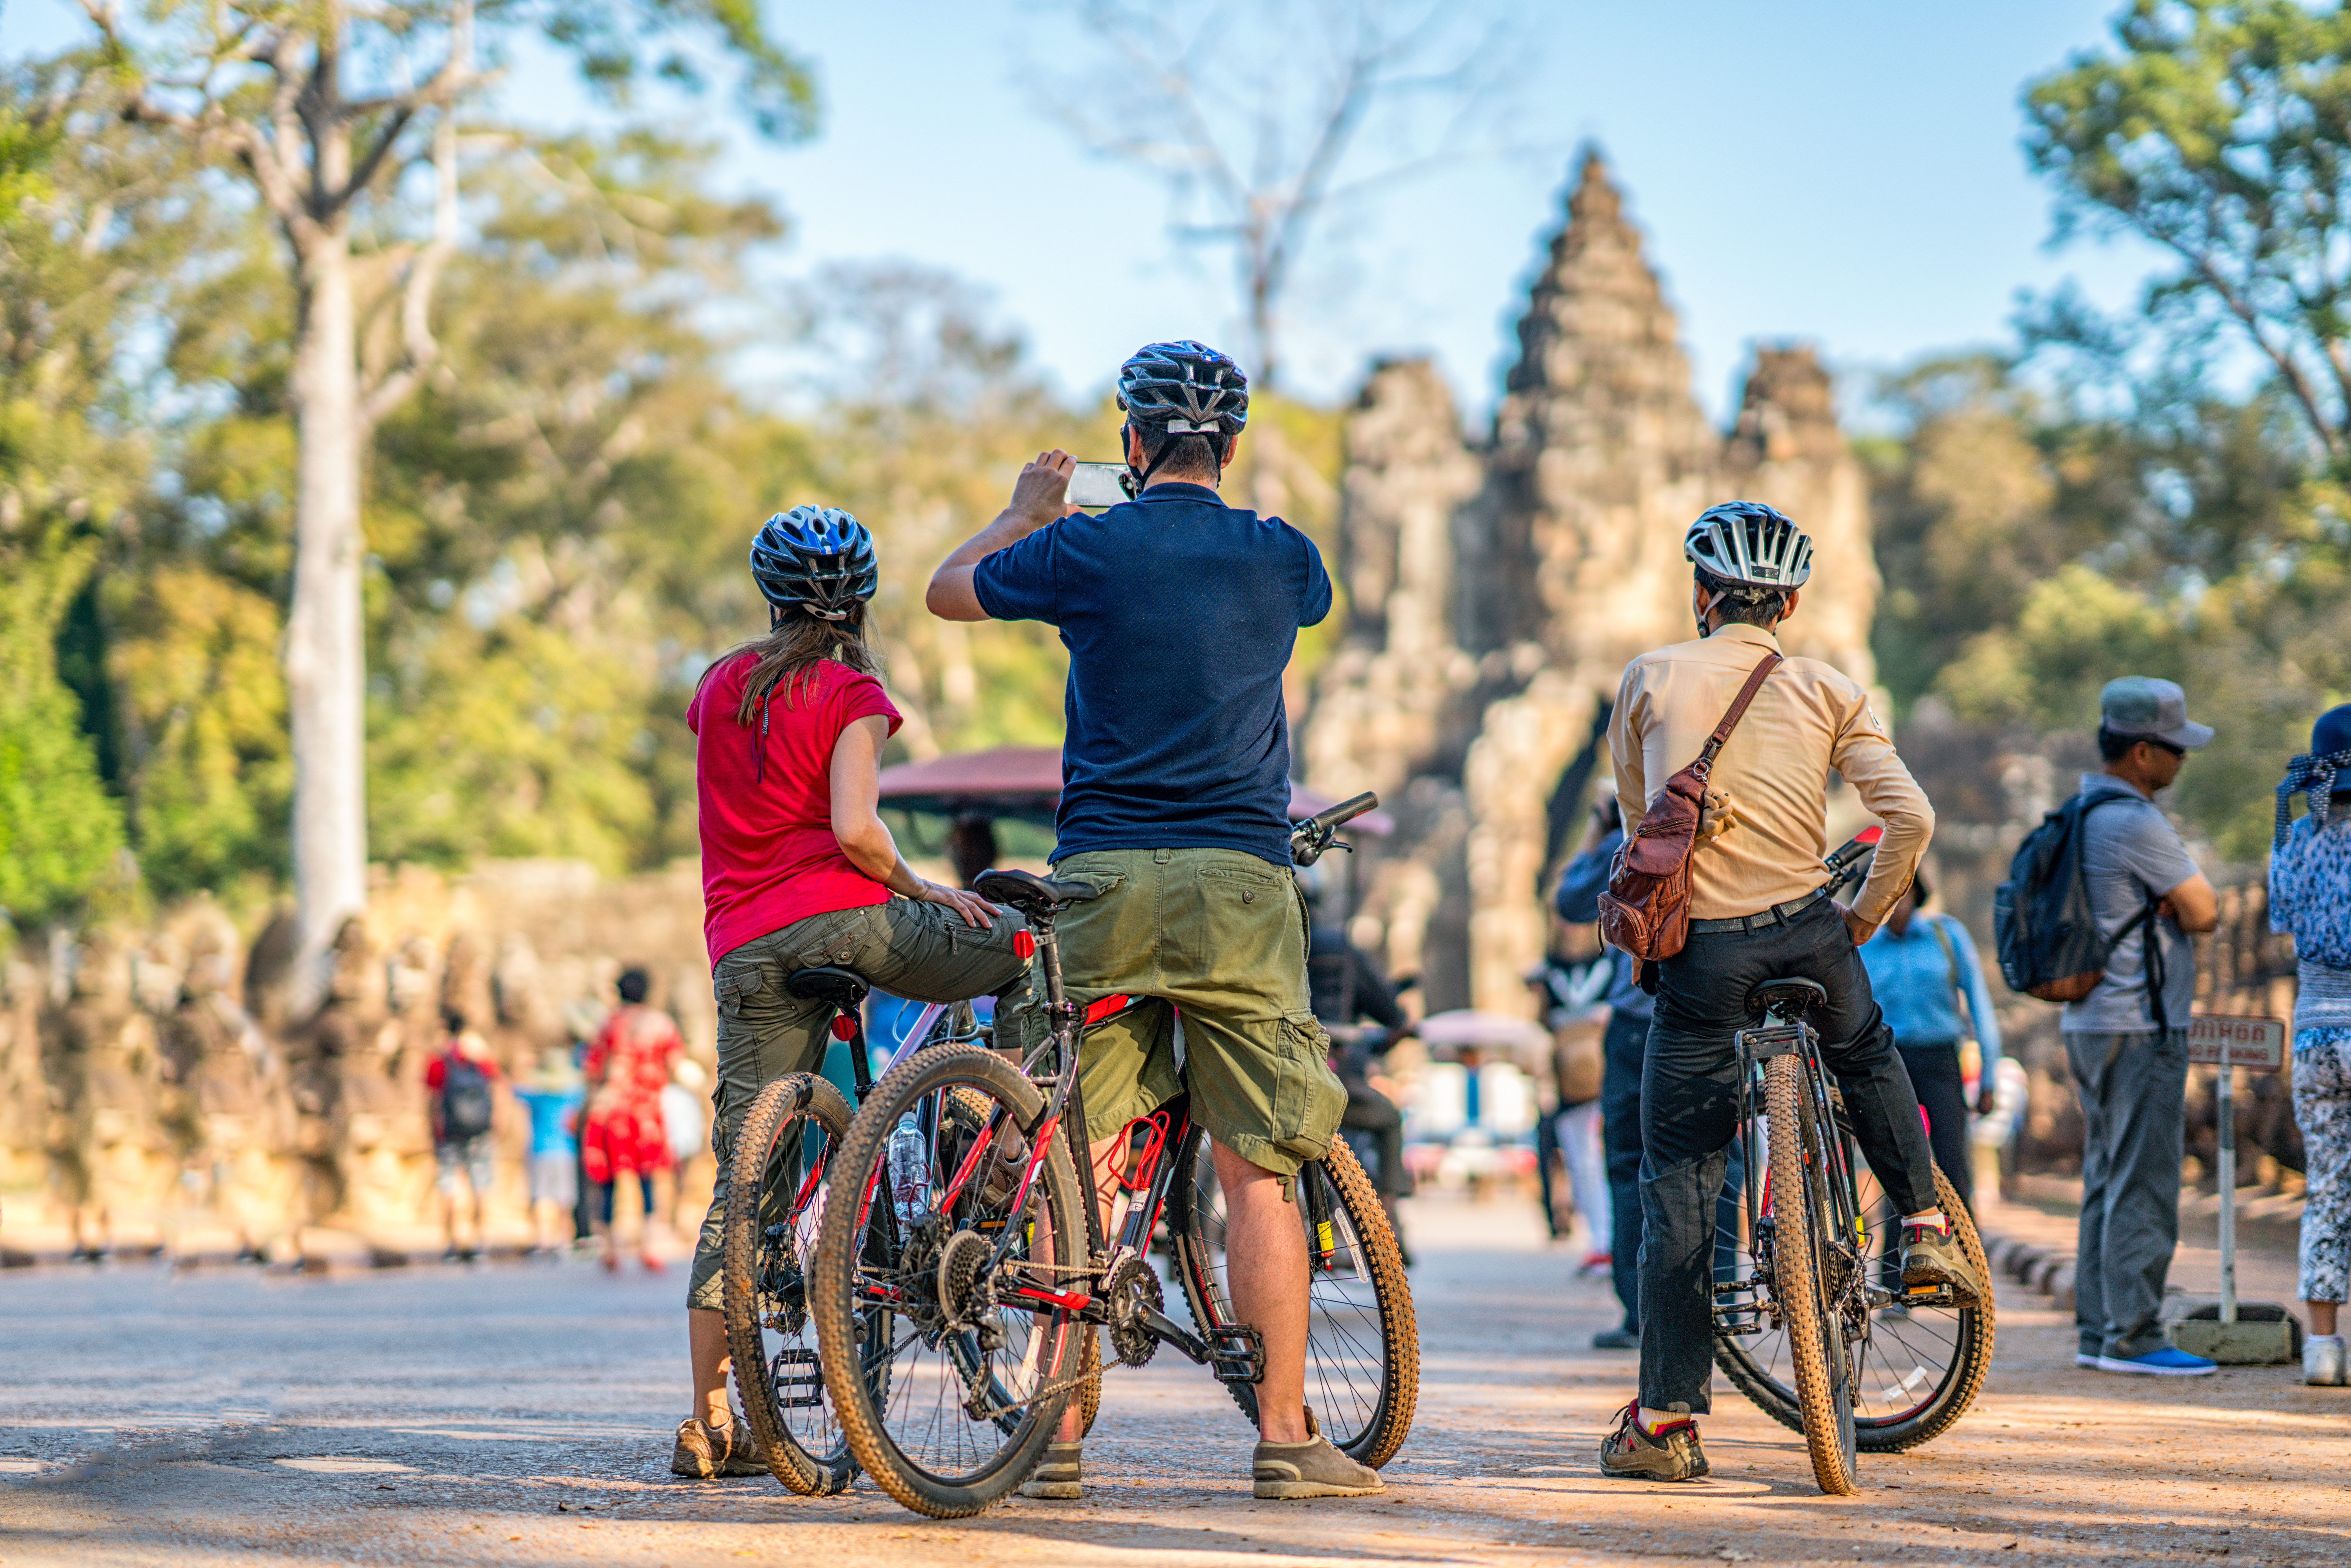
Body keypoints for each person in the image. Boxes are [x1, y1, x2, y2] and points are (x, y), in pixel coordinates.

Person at [928, 340, 1379, 1502]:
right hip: (1237, 884)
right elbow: (1313, 602)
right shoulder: (1281, 555)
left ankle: (1058, 1436)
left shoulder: (1078, 543)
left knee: (1071, 1159)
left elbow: (943, 591)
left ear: (1126, 443)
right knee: (1258, 1171)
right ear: (1227, 446)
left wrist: (1023, 511)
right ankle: (1283, 1437)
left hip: (1104, 879)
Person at [1598, 500, 1973, 1483]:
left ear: (1702, 594)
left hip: (1705, 958)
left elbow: (1643, 827)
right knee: (1868, 1050)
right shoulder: (1828, 687)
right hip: (1812, 932)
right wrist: (1859, 922)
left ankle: (1667, 1421)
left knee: (1679, 1175)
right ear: (1792, 602)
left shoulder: (1649, 677)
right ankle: (1924, 1224)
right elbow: (1911, 817)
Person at [676, 505, 1037, 1482]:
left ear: (771, 595)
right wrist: (927, 889)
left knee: (743, 1181)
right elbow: (855, 829)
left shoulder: (716, 684)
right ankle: (993, 1118)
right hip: (848, 920)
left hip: (743, 947)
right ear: (861, 602)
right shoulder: (850, 688)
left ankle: (709, 1419)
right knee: (1019, 947)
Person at [2064, 677, 2221, 1377]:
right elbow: (2205, 909)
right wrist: (2175, 901)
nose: (2183, 762)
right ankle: (2134, 1334)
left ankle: (2099, 1328)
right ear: (2142, 753)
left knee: (2107, 1172)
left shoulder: (2078, 810)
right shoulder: (2134, 819)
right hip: (2140, 1021)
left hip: (2092, 1019)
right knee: (2146, 1179)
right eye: (2175, 750)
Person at [2266, 703, 2351, 1386]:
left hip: (2316, 1031)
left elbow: (2283, 921)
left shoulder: (2296, 838)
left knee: (2327, 1185)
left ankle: (2323, 1346)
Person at [1554, 795, 1655, 1350]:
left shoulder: (1625, 845)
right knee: (1712, 1160)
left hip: (1637, 1025)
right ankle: (1712, 1306)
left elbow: (1570, 900)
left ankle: (1640, 1312)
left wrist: (1597, 825)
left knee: (1627, 1166)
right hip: (1705, 1015)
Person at [1858, 865, 2003, 1216]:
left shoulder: (1947, 936)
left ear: (1915, 894)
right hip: (1888, 1064)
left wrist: (1987, 1079)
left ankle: (1969, 1264)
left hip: (1940, 1062)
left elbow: (1980, 1008)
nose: (1894, 905)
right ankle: (1898, 1269)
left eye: (1900, 894)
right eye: (1883, 896)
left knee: (1954, 1167)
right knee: (1900, 1174)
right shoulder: (1862, 948)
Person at [1306, 891, 1415, 1262]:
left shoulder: (1269, 938)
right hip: (1331, 1075)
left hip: (1268, 1077)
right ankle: (1388, 1218)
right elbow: (1391, 1013)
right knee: (1388, 1118)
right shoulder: (1340, 949)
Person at [581, 970, 681, 1279]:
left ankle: (609, 1248)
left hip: (610, 1109)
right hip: (645, 1112)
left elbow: (593, 1067)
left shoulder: (609, 1023)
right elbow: (677, 1064)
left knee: (608, 1180)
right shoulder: (661, 1024)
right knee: (648, 1178)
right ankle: (648, 1247)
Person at [424, 1007, 501, 1262]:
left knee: (449, 1183)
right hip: (479, 1127)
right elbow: (496, 1084)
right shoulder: (479, 1054)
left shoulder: (440, 1057)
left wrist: (433, 1126)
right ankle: (481, 1240)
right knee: (481, 1182)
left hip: (448, 1129)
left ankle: (452, 1242)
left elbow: (432, 1095)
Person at [512, 1047, 583, 1256]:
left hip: (540, 1150)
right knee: (565, 1199)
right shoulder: (572, 1095)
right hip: (565, 1151)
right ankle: (564, 1241)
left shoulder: (537, 1096)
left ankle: (543, 1241)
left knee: (541, 1197)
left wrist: (523, 1065)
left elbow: (514, 1088)